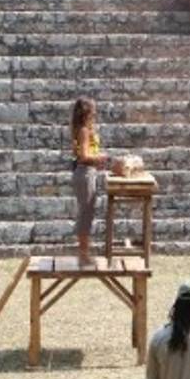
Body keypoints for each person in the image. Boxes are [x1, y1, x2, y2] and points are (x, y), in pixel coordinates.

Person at [69, 97, 108, 266]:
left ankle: (84, 253)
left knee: (86, 213)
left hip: (85, 172)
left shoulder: (82, 129)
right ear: (87, 112)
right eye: (93, 110)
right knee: (86, 214)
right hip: (85, 173)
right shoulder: (84, 130)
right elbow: (84, 155)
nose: (95, 113)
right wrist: (100, 157)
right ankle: (83, 254)